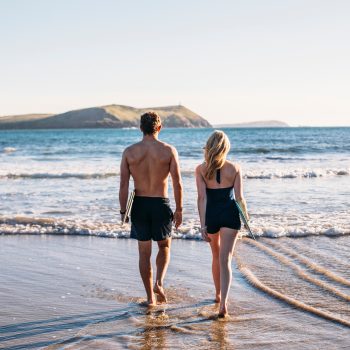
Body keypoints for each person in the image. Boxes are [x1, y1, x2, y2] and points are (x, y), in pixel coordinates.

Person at [119, 112, 183, 306]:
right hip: (160, 204)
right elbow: (177, 183)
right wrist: (179, 209)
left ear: (141, 128)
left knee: (144, 253)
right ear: (159, 128)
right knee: (164, 246)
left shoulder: (129, 152)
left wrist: (124, 211)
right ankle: (159, 282)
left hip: (139, 205)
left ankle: (150, 298)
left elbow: (123, 185)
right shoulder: (169, 150)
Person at [195, 130, 249, 317]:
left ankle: (217, 294)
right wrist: (246, 219)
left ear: (209, 146)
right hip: (230, 215)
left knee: (216, 256)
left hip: (211, 216)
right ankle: (223, 304)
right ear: (225, 147)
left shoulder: (201, 169)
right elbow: (240, 198)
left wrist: (202, 225)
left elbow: (202, 198)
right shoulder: (235, 168)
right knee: (225, 259)